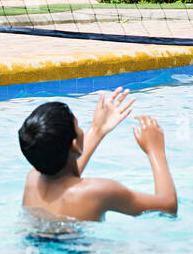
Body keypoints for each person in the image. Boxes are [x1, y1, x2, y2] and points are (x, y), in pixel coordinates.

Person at [20, 89, 178, 222]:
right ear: (74, 144)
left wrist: (97, 130)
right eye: (78, 126)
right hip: (82, 253)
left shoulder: (32, 180)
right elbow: (168, 206)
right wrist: (155, 151)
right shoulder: (100, 191)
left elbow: (65, 176)